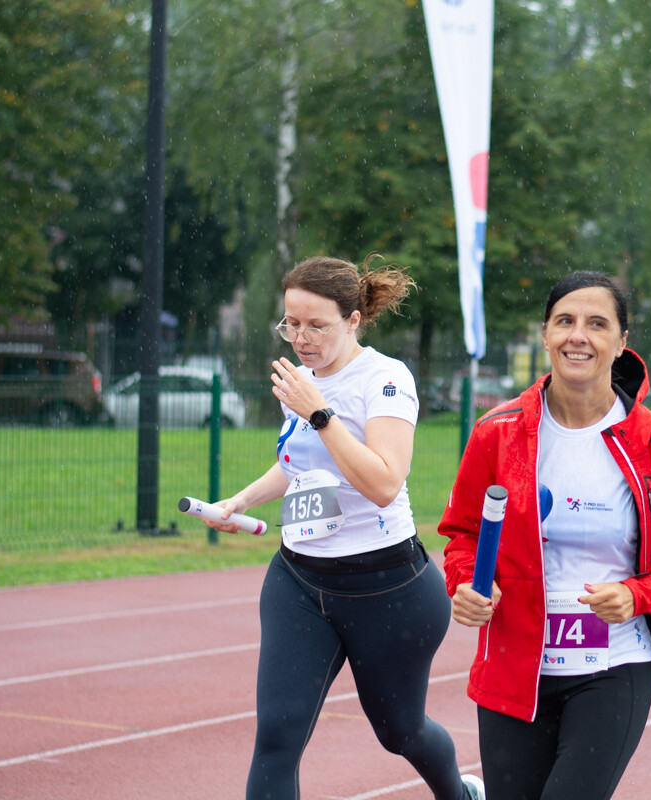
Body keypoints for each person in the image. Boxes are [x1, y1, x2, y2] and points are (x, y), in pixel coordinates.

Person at [440, 271, 651, 799]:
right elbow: (462, 533)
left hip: (614, 666)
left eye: (597, 324)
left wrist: (639, 595)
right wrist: (463, 582)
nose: (578, 336)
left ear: (621, 342)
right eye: (565, 321)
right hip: (514, 666)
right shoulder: (496, 433)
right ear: (545, 334)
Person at [206, 254, 484, 800]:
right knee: (277, 739)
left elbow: (383, 482)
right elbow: (298, 463)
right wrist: (239, 500)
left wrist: (319, 412)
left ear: (353, 321)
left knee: (401, 732)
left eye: (317, 325)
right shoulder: (302, 382)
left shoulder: (385, 379)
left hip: (388, 588)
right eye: (291, 323)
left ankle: (460, 794)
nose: (301, 338)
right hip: (299, 580)